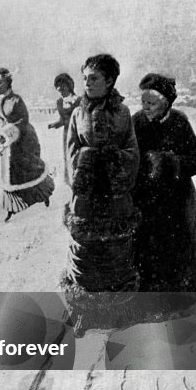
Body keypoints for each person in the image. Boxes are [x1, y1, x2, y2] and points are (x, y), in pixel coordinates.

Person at [61, 54, 140, 326]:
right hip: (86, 198)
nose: (87, 83)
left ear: (109, 81)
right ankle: (84, 312)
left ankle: (118, 313)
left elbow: (132, 152)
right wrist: (86, 162)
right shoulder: (77, 114)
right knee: (84, 254)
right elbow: (70, 153)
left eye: (93, 78)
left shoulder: (123, 113)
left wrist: (113, 161)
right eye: (84, 78)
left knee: (116, 254)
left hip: (116, 197)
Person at [132, 74, 196, 303]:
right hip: (147, 205)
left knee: (179, 261)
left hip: (177, 206)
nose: (145, 107)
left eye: (151, 103)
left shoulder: (179, 122)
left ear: (166, 103)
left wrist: (168, 161)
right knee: (148, 259)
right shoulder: (136, 122)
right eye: (143, 101)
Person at [0, 68, 55, 221]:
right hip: (9, 139)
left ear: (7, 82)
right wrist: (4, 136)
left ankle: (42, 195)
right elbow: (4, 120)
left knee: (28, 168)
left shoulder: (16, 100)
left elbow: (23, 120)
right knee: (10, 172)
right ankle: (12, 206)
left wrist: (11, 131)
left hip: (24, 138)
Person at [47, 72, 79, 186]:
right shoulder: (59, 102)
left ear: (69, 85)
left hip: (78, 134)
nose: (60, 90)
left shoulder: (79, 101)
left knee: (78, 158)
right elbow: (62, 120)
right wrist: (54, 125)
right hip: (67, 135)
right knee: (68, 158)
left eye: (63, 86)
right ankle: (71, 184)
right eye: (58, 88)